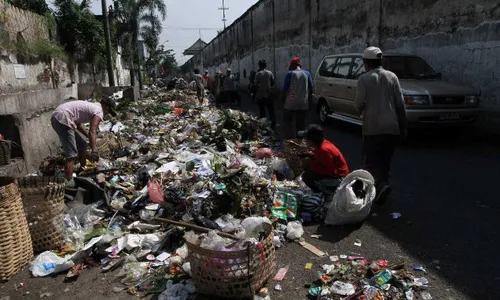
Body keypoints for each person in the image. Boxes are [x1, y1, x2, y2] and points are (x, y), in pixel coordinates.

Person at [354, 46, 408, 202]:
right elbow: (400, 104)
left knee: (371, 161)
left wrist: (360, 110)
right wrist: (403, 126)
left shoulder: (364, 78)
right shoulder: (392, 77)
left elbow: (359, 104)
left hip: (373, 127)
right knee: (385, 161)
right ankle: (382, 185)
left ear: (366, 62)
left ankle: (377, 187)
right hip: (392, 127)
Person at [51, 97, 116, 180]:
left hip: (59, 116)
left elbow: (78, 125)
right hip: (63, 118)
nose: (107, 114)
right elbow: (92, 131)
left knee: (82, 145)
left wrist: (87, 136)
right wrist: (94, 150)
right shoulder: (99, 111)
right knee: (71, 155)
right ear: (106, 107)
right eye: (109, 111)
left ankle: (82, 171)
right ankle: (68, 182)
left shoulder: (93, 106)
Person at [300, 124, 350, 193]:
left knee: (307, 176)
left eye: (306, 139)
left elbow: (332, 171)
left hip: (340, 177)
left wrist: (311, 166)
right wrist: (309, 155)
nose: (305, 141)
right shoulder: (322, 144)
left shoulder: (324, 150)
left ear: (311, 141)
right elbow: (319, 157)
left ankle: (325, 192)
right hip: (333, 172)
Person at [282, 57, 313, 138]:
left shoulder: (289, 74)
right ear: (300, 65)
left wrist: (282, 101)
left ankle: (289, 140)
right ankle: (299, 142)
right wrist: (309, 101)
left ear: (292, 65)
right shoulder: (307, 74)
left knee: (287, 121)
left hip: (290, 102)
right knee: (300, 124)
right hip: (303, 103)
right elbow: (311, 88)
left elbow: (284, 89)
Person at [254, 60, 277, 129]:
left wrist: (255, 96)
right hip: (269, 95)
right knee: (271, 110)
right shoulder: (270, 73)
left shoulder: (258, 74)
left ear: (259, 65)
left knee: (262, 111)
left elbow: (255, 86)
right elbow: (273, 83)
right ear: (265, 65)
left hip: (261, 96)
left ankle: (263, 125)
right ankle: (273, 123)